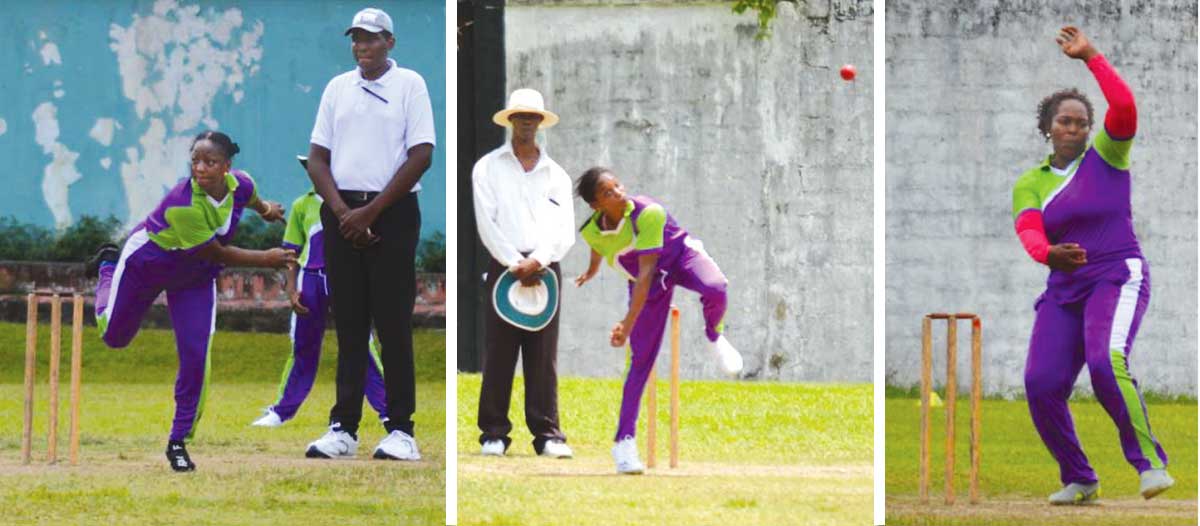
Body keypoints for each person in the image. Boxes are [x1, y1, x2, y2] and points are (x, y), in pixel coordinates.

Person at [1011, 26, 1172, 504]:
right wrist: (1047, 255)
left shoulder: (1107, 155)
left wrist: (1092, 58)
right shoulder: (1031, 182)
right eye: (1065, 121)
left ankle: (1149, 465)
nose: (1075, 128)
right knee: (1041, 384)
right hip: (1064, 287)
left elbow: (1124, 110)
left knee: (1106, 362)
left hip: (1116, 275)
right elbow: (1029, 230)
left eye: (1082, 122)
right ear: (1048, 127)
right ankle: (1080, 477)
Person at [86, 130, 294, 472]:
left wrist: (267, 209)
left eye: (210, 162)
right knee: (114, 336)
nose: (200, 168)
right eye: (195, 160)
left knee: (197, 357)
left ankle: (177, 441)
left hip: (195, 277)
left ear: (226, 166)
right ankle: (109, 266)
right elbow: (219, 252)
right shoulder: (184, 204)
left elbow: (253, 198)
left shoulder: (240, 183)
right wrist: (268, 258)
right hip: (148, 265)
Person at [302, 7, 436, 461]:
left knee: (393, 323)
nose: (362, 46)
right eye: (357, 39)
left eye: (371, 39)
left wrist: (372, 212)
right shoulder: (338, 88)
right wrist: (343, 213)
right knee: (351, 325)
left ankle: (401, 430)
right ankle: (343, 427)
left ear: (390, 43)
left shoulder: (410, 85)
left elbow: (421, 154)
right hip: (342, 214)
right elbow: (318, 157)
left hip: (393, 213)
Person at [574, 167, 743, 474]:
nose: (619, 193)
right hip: (648, 286)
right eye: (608, 193)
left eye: (618, 185)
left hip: (679, 259)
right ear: (596, 206)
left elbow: (646, 271)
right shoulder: (591, 230)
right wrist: (592, 269)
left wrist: (626, 323)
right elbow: (598, 246)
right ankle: (623, 443)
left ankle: (714, 335)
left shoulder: (647, 213)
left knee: (716, 287)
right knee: (640, 364)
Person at [471, 88, 575, 458]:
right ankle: (494, 432)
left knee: (543, 353)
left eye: (533, 117)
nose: (527, 123)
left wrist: (540, 260)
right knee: (499, 351)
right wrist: (515, 262)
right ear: (511, 120)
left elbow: (565, 229)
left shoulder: (557, 175)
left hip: (546, 267)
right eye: (521, 116)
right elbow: (488, 223)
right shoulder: (487, 167)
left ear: (541, 123)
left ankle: (547, 434)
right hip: (505, 265)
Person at [250, 156, 388, 428]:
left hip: (347, 279)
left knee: (363, 347)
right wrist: (291, 289)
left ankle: (386, 410)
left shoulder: (358, 202)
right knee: (303, 347)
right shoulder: (303, 204)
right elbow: (291, 250)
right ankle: (281, 411)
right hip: (310, 280)